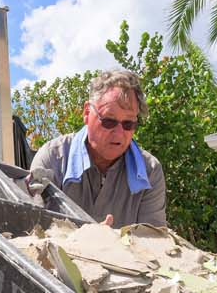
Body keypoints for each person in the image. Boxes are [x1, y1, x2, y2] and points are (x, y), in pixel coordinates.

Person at [29, 69, 167, 227]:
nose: (119, 133)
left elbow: (153, 243)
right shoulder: (52, 158)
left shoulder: (150, 171)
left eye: (128, 124)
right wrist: (90, 240)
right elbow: (34, 231)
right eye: (109, 121)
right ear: (87, 113)